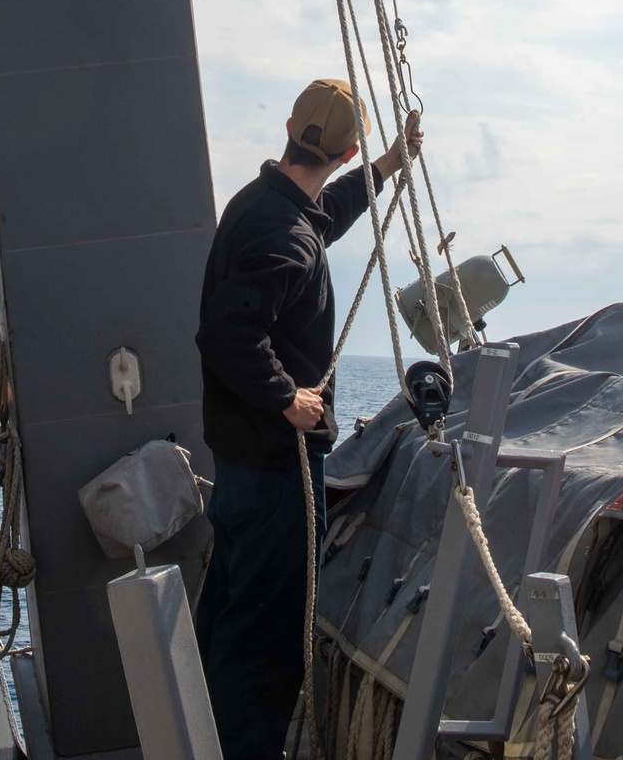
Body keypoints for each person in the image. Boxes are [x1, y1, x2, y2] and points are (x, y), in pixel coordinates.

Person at [195, 77, 421, 760]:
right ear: (347, 150)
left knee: (230, 611)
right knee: (266, 634)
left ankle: (202, 736)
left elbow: (322, 213)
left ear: (291, 127)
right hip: (273, 466)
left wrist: (389, 167)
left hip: (241, 460)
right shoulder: (285, 234)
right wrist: (285, 397)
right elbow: (229, 335)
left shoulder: (265, 202)